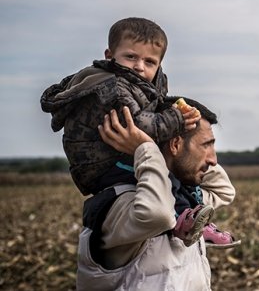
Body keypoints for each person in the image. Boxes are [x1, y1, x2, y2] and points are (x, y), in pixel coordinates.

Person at [40, 17, 233, 246]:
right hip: (101, 164)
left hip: (117, 156)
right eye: (131, 56)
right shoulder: (112, 87)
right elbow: (138, 127)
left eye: (150, 62)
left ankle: (192, 215)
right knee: (164, 176)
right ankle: (183, 219)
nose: (139, 66)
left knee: (172, 176)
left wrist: (186, 144)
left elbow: (225, 192)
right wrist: (174, 120)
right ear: (109, 55)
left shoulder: (140, 85)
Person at [76, 105, 236, 290]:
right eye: (206, 145)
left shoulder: (184, 197)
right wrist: (146, 148)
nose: (213, 160)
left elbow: (223, 191)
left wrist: (168, 157)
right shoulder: (123, 203)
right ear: (175, 145)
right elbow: (158, 215)